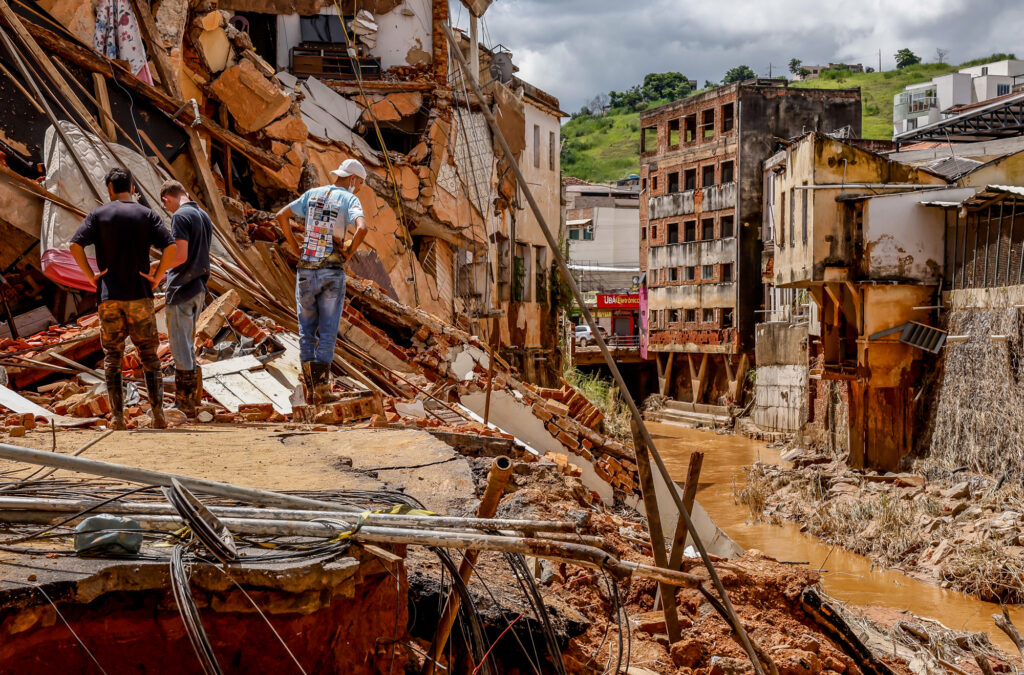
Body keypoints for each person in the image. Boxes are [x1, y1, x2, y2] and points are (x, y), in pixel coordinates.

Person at [70, 168, 177, 430]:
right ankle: (158, 415)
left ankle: (117, 418)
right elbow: (171, 246)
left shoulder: (98, 215)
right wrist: (157, 276)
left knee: (113, 357)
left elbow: (75, 245)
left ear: (109, 188)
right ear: (132, 187)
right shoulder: (147, 214)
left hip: (109, 296)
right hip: (140, 295)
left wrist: (92, 276)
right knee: (149, 355)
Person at [275, 158, 369, 405]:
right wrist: (348, 252)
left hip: (306, 270)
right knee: (327, 332)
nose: (358, 188)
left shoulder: (312, 194)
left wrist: (296, 247)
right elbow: (362, 227)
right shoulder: (350, 199)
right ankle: (322, 391)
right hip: (331, 271)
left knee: (306, 332)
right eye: (359, 184)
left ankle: (311, 390)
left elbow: (281, 215)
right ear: (353, 179)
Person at [160, 179, 213, 418]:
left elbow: (180, 256)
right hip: (199, 287)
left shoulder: (180, 217)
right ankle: (194, 400)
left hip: (181, 288)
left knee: (180, 348)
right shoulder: (203, 215)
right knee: (188, 347)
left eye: (166, 205)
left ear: (167, 199)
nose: (168, 209)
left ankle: (184, 405)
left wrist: (159, 269)